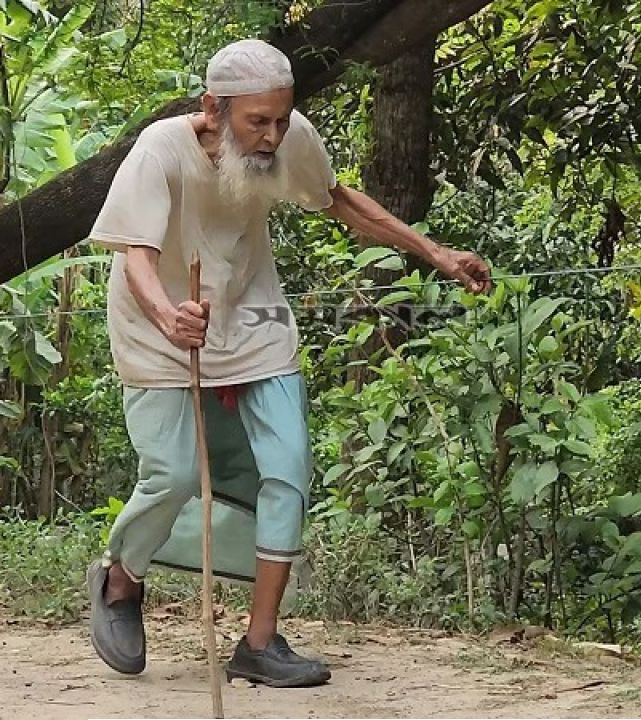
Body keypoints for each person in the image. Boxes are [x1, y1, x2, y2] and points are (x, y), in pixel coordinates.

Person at [83, 38, 492, 689]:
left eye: (281, 118)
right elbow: (136, 256)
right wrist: (170, 316)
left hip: (254, 321)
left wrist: (435, 252)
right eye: (258, 122)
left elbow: (340, 200)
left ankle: (259, 642)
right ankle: (121, 579)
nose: (273, 135)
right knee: (175, 473)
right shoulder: (160, 149)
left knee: (289, 468)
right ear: (214, 108)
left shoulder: (287, 137)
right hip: (159, 326)